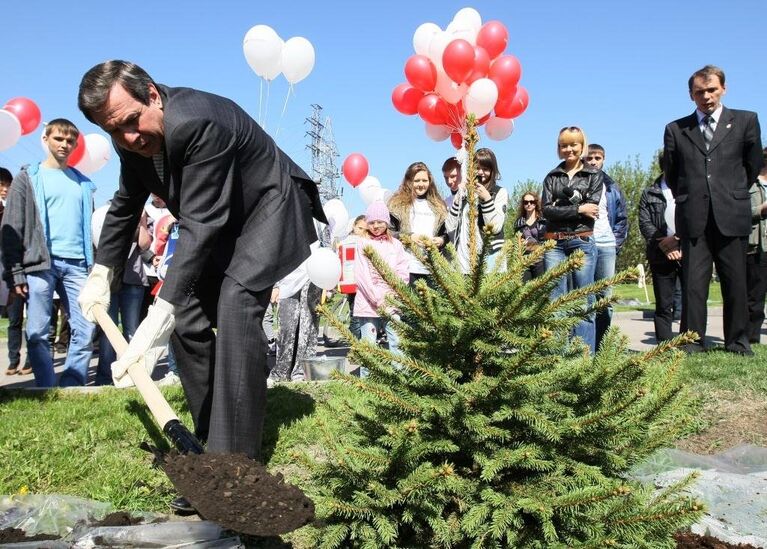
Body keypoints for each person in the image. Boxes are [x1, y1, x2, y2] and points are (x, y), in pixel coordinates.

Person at [76, 61, 325, 465]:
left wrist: (158, 315)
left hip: (269, 205)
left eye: (132, 121)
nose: (129, 137)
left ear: (153, 95)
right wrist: (102, 273)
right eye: (114, 131)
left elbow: (200, 223)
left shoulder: (198, 122)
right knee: (187, 313)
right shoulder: (133, 139)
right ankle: (212, 432)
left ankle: (233, 462)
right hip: (224, 217)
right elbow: (125, 204)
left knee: (237, 302)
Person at [663, 65, 763, 355]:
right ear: (690, 94)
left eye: (711, 90)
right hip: (693, 216)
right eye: (699, 92)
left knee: (736, 282)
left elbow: (751, 165)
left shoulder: (745, 121)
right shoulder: (676, 129)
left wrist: (728, 192)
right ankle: (692, 341)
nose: (706, 96)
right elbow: (672, 174)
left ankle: (737, 341)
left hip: (731, 213)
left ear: (723, 89)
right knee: (694, 283)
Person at [0, 119, 96, 387]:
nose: (64, 144)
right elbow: (12, 226)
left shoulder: (83, 183)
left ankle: (72, 385)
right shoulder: (27, 178)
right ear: (45, 140)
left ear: (75, 144)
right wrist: (15, 272)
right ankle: (45, 386)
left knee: (85, 327)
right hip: (41, 263)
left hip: (79, 264)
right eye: (59, 139)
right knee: (38, 331)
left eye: (70, 140)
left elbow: (89, 228)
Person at [541, 126, 603, 353]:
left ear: (581, 146)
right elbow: (546, 211)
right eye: (564, 145)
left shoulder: (593, 175)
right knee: (555, 300)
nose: (568, 149)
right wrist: (579, 208)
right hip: (554, 243)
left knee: (584, 300)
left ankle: (583, 356)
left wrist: (563, 207)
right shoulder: (552, 176)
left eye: (573, 144)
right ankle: (557, 354)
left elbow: (593, 208)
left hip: (581, 240)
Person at [91, 202, 152, 385]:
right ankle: (104, 378)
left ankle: (133, 376)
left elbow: (145, 244)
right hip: (109, 279)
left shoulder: (141, 213)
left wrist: (141, 221)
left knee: (131, 330)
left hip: (132, 279)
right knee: (108, 331)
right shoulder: (104, 215)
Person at [353, 201, 409, 377]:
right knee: (369, 342)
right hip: (368, 303)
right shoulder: (362, 244)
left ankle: (400, 377)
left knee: (396, 339)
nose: (376, 226)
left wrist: (394, 292)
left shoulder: (396, 245)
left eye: (380, 221)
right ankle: (367, 381)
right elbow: (361, 274)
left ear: (387, 222)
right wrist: (376, 298)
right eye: (372, 222)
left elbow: (402, 271)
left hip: (391, 300)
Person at [584, 144, 629, 350]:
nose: (593, 161)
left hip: (606, 244)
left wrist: (615, 242)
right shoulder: (579, 182)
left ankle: (603, 346)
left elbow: (621, 218)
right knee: (585, 296)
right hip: (585, 243)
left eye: (597, 158)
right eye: (590, 158)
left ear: (603, 160)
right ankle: (586, 346)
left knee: (605, 298)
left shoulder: (611, 187)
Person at [638, 152, 684, 342]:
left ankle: (689, 341)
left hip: (688, 251)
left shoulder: (690, 189)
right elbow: (645, 222)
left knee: (691, 300)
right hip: (660, 252)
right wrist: (665, 244)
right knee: (664, 303)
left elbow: (697, 218)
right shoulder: (650, 193)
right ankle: (664, 343)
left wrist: (678, 239)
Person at [445, 148, 508, 273]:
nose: (480, 173)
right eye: (477, 168)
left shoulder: (499, 192)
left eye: (485, 169)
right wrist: (458, 198)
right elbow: (449, 226)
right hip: (463, 263)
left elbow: (495, 228)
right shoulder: (464, 193)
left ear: (492, 170)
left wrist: (486, 199)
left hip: (490, 261)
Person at [388, 161, 447, 286]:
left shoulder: (439, 206)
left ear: (429, 182)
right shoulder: (397, 205)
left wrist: (441, 240)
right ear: (409, 181)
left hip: (432, 268)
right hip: (407, 268)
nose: (421, 184)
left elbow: (447, 235)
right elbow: (389, 232)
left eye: (424, 181)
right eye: (417, 181)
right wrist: (409, 237)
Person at [268, 259, 322, 383]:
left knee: (307, 326)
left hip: (312, 273)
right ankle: (281, 371)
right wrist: (275, 284)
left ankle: (302, 371)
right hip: (287, 277)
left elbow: (327, 245)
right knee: (286, 326)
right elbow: (275, 250)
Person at [747, 148, 767, 343]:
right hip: (757, 245)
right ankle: (751, 336)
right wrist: (760, 210)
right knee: (755, 295)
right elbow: (737, 211)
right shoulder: (750, 184)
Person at [513, 191, 546, 281]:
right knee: (524, 290)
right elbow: (516, 243)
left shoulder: (543, 221)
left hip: (540, 259)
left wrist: (533, 246)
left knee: (539, 288)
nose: (529, 204)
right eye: (526, 202)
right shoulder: (518, 223)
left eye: (532, 202)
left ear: (536, 203)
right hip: (524, 260)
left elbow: (546, 241)